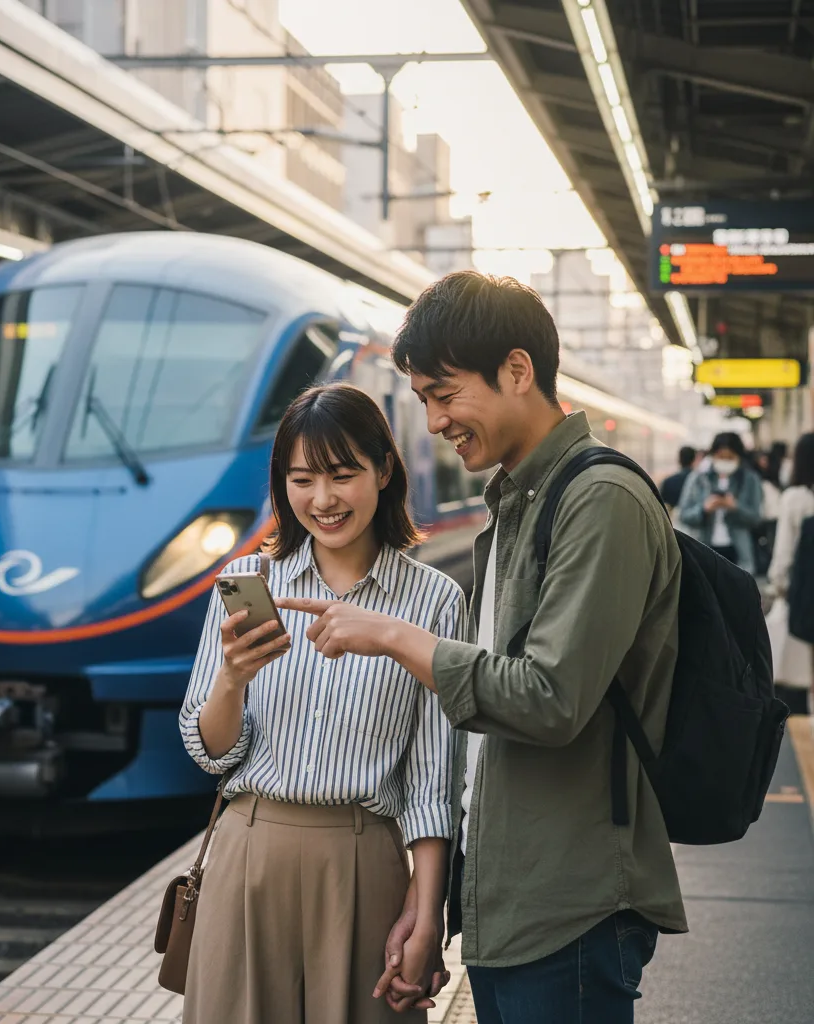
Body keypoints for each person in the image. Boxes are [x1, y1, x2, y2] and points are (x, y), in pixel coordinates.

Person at [279, 272, 686, 1024]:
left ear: (517, 370)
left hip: (573, 899)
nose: (432, 422)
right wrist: (438, 905)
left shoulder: (599, 500)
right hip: (517, 893)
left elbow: (551, 698)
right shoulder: (520, 501)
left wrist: (398, 638)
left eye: (443, 394)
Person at [179, 382, 465, 1024]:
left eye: (342, 475)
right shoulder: (248, 583)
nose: (323, 500)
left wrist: (428, 909)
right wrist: (230, 679)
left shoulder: (433, 601)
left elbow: (432, 778)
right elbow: (208, 751)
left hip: (364, 864)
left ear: (384, 470)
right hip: (247, 856)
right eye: (301, 479)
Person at [765, 432, 814, 715]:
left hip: (803, 598)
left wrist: (778, 586)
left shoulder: (795, 498)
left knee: (800, 677)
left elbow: (783, 555)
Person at [678, 432, 764, 572]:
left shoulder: (750, 479)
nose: (725, 461)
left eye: (730, 457)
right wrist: (704, 509)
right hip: (705, 549)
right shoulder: (698, 479)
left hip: (739, 552)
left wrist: (736, 507)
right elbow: (684, 514)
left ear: (739, 457)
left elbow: (756, 517)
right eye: (720, 457)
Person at [659, 445, 697, 512]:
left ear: (679, 460)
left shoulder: (668, 481)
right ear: (694, 460)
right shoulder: (699, 482)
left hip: (671, 520)